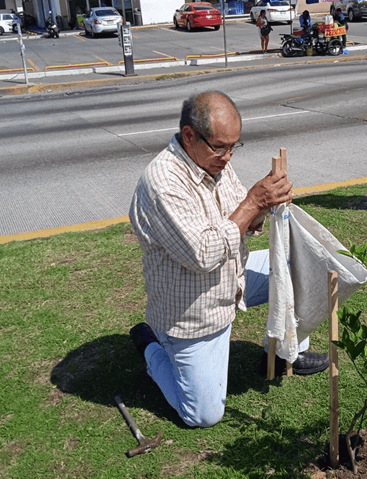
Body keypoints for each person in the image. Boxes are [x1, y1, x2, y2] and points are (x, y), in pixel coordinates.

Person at [129, 91, 329, 428]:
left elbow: (242, 218)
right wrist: (253, 202)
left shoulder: (213, 161)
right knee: (202, 415)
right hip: (194, 308)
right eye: (220, 147)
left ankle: (281, 353)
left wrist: (265, 205)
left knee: (300, 264)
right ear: (189, 135)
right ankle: (151, 346)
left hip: (233, 277)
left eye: (234, 146)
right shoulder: (163, 182)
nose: (228, 156)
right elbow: (204, 255)